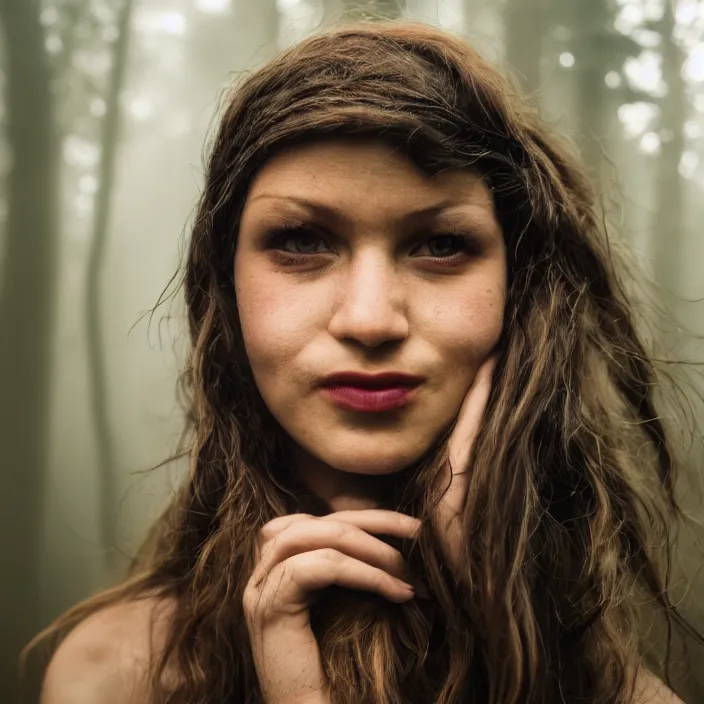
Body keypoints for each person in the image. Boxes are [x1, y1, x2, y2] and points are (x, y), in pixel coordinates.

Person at [28, 18, 702, 704]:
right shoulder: (115, 677)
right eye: (300, 240)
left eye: (440, 244)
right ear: (226, 291)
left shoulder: (612, 693)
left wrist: (509, 640)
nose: (371, 319)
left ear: (520, 294)